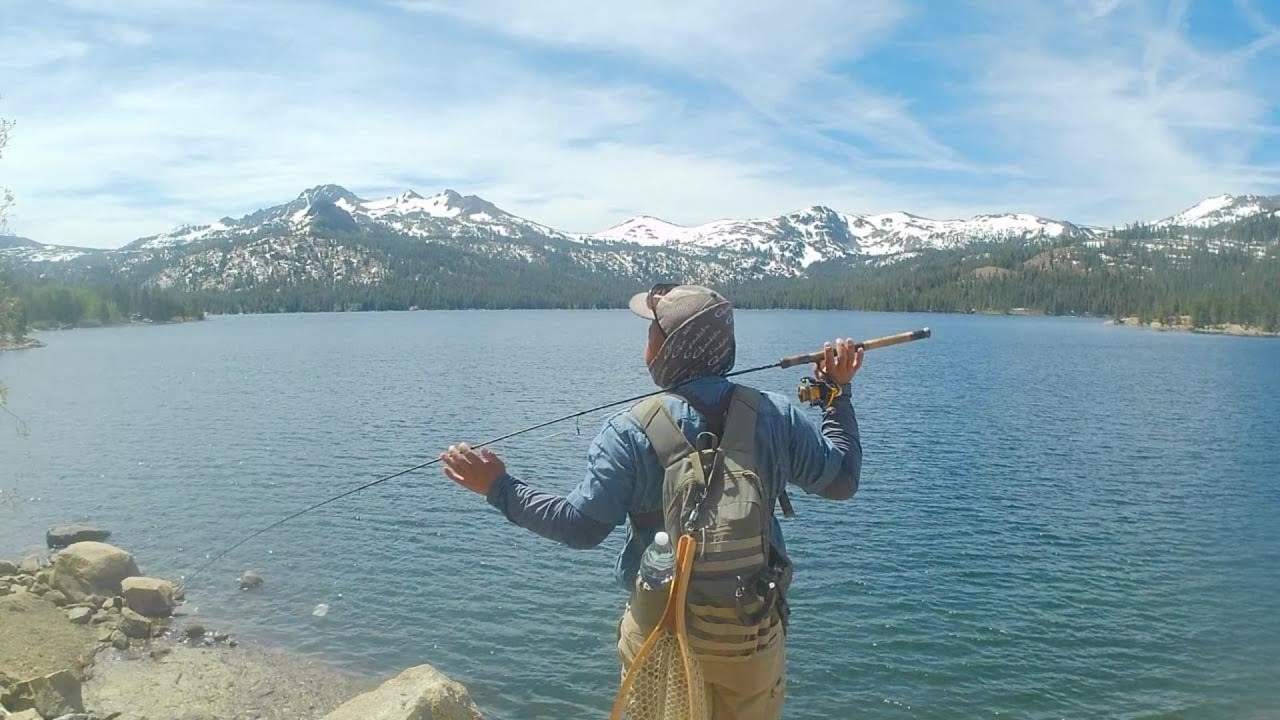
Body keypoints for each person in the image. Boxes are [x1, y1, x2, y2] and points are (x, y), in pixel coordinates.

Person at [440, 283, 863, 720]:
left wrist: (499, 487)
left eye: (651, 334)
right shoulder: (777, 415)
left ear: (669, 351)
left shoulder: (628, 431)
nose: (646, 343)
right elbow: (843, 480)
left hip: (660, 639)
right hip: (749, 642)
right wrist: (837, 393)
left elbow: (580, 527)